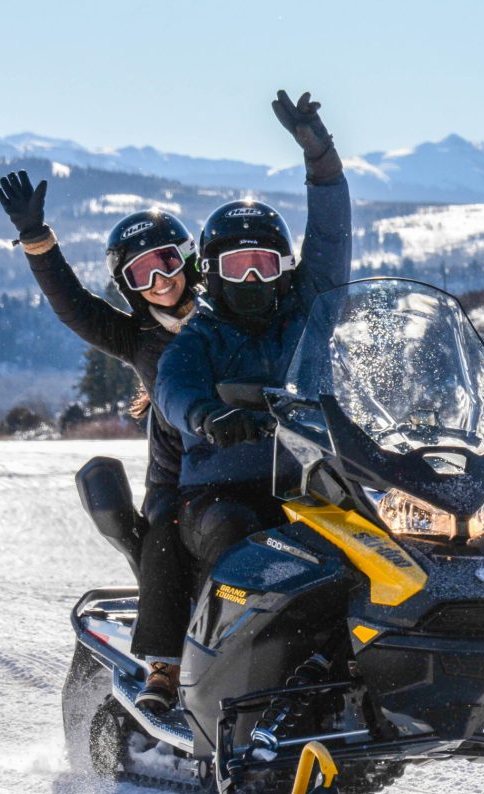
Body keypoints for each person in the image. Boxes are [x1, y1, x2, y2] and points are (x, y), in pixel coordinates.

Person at [0, 174, 197, 712]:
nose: (159, 280)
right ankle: (165, 666)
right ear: (127, 284)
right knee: (164, 535)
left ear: (188, 260)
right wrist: (38, 239)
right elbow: (74, 307)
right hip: (181, 477)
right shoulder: (137, 336)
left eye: (166, 262)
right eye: (141, 272)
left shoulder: (230, 315)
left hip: (261, 462)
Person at [156, 90, 351, 576]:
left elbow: (330, 238)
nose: (251, 280)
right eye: (237, 265)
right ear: (213, 274)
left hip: (313, 483)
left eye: (262, 264)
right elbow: (173, 389)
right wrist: (208, 417)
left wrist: (320, 158)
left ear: (285, 268)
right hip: (219, 494)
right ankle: (220, 651)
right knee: (239, 539)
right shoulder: (198, 339)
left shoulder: (310, 313)